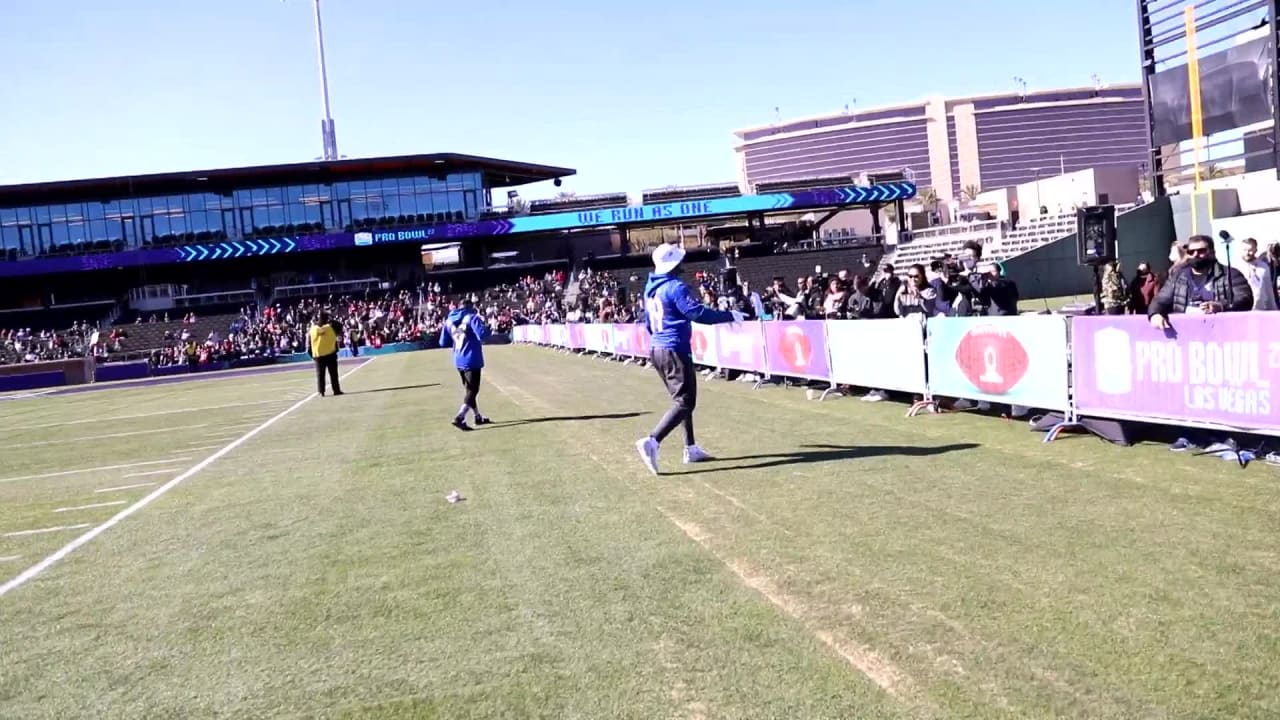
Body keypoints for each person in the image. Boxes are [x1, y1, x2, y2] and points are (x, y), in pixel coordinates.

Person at [635, 243, 743, 474]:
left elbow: (647, 322)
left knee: (681, 402)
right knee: (685, 402)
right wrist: (728, 315)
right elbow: (697, 313)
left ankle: (690, 447)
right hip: (673, 348)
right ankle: (652, 441)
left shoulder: (650, 289)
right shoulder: (675, 287)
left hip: (657, 348)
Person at [1149, 235, 1253, 328]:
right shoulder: (1178, 277)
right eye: (1191, 252)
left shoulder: (1230, 274)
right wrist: (1155, 314)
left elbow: (1245, 299)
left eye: (1201, 251)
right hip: (1186, 335)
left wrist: (1221, 306)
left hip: (1222, 333)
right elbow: (1160, 300)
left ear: (1212, 252)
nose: (1195, 254)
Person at [439, 297, 491, 430]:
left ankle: (477, 417)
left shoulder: (449, 320)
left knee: (469, 390)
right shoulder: (471, 317)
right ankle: (460, 417)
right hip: (471, 358)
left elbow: (442, 342)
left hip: (458, 358)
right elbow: (483, 335)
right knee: (473, 390)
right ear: (470, 306)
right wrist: (487, 327)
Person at [308, 311, 343, 397]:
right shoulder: (331, 327)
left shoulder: (313, 329)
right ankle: (336, 390)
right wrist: (332, 319)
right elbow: (340, 325)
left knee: (320, 375)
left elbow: (309, 343)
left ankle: (321, 392)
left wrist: (312, 354)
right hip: (330, 353)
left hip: (318, 355)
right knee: (333, 373)